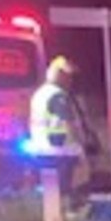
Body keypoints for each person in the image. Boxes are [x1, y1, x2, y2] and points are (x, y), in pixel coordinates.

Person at [29, 56, 89, 195]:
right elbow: (67, 121)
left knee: (50, 190)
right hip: (58, 149)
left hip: (41, 147)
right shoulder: (58, 95)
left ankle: (52, 212)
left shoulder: (41, 93)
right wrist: (80, 145)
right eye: (67, 76)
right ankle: (65, 211)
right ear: (59, 75)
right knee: (64, 189)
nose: (70, 80)